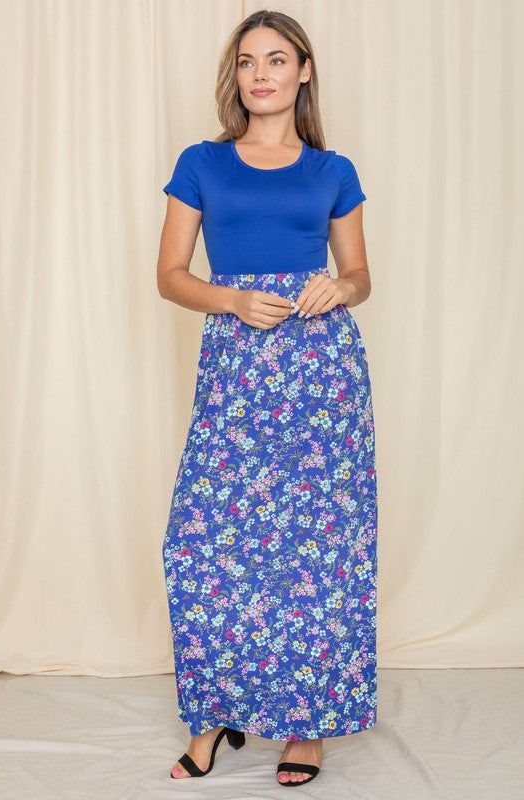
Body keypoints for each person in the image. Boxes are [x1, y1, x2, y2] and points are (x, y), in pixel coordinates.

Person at [157, 8, 378, 789]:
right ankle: (215, 713)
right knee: (203, 542)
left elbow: (360, 277)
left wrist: (335, 286)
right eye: (248, 61)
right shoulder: (202, 162)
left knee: (315, 550)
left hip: (320, 369)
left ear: (303, 71)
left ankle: (306, 726)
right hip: (237, 363)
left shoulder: (332, 171)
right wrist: (229, 299)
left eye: (276, 60)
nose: (260, 74)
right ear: (237, 75)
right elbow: (170, 275)